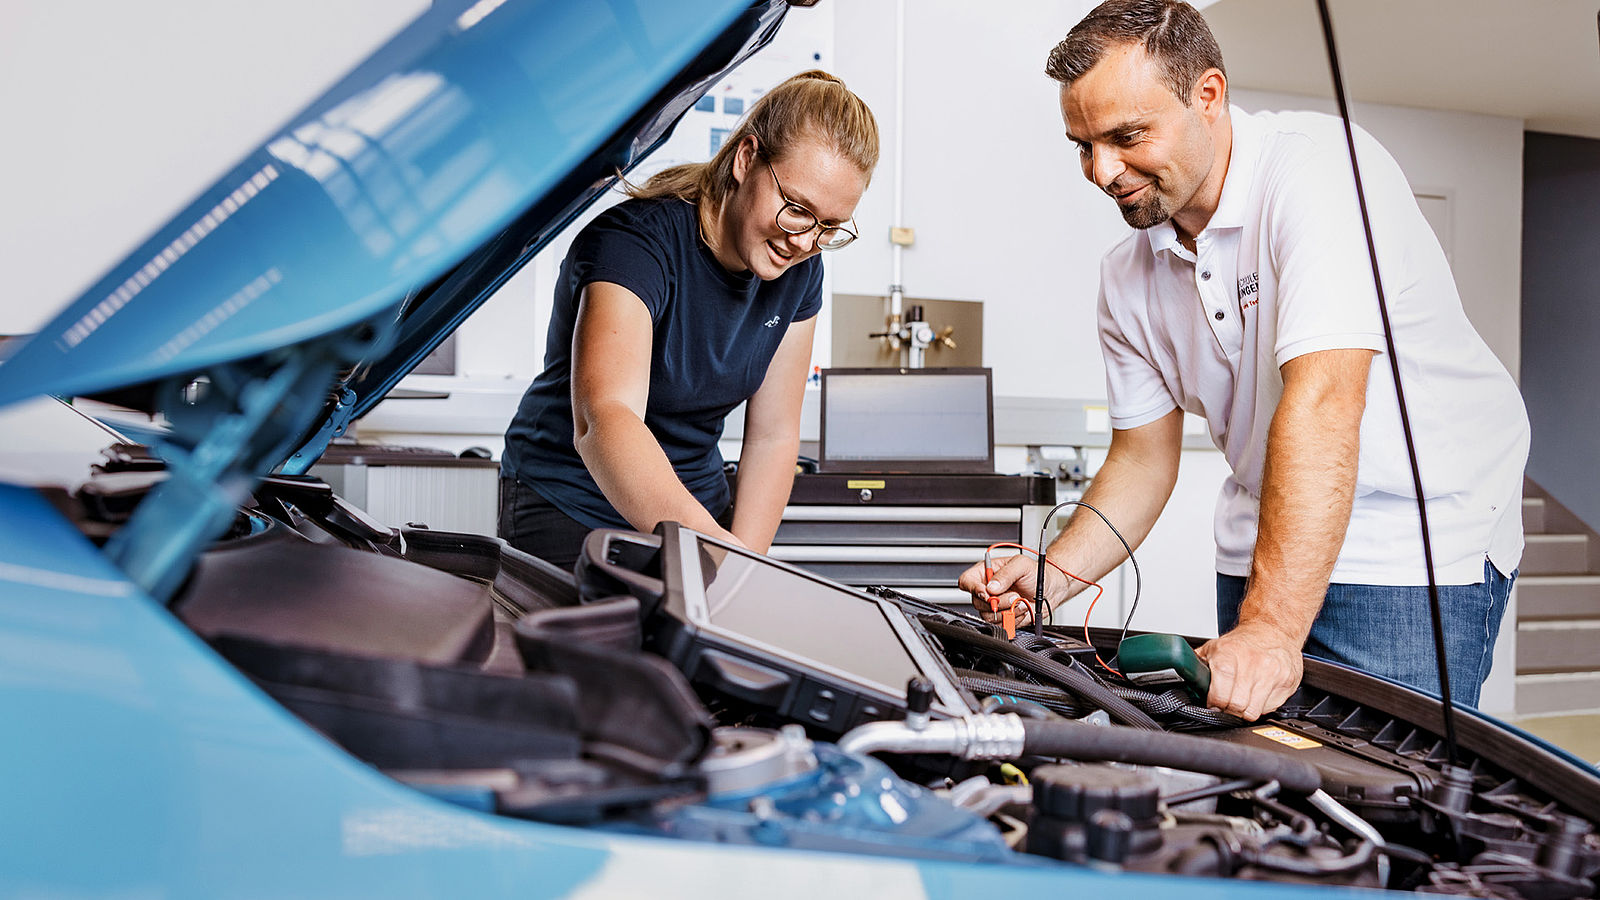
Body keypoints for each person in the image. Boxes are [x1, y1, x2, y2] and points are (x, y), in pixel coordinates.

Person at [959, 0, 1528, 719]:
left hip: (1407, 546)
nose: (1102, 171)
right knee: (1266, 791)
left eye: (1126, 135)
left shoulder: (1321, 174)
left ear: (1208, 96)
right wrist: (1053, 576)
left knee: (1384, 800)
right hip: (1266, 538)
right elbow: (1141, 460)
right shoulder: (1126, 275)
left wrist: (1269, 629)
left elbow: (1324, 400)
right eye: (1083, 145)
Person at [499, 71, 878, 569]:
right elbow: (605, 418)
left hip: (695, 504)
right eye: (796, 209)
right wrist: (715, 549)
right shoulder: (635, 244)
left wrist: (743, 566)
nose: (805, 241)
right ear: (746, 159)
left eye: (828, 226)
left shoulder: (800, 269)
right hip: (572, 502)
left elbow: (773, 436)